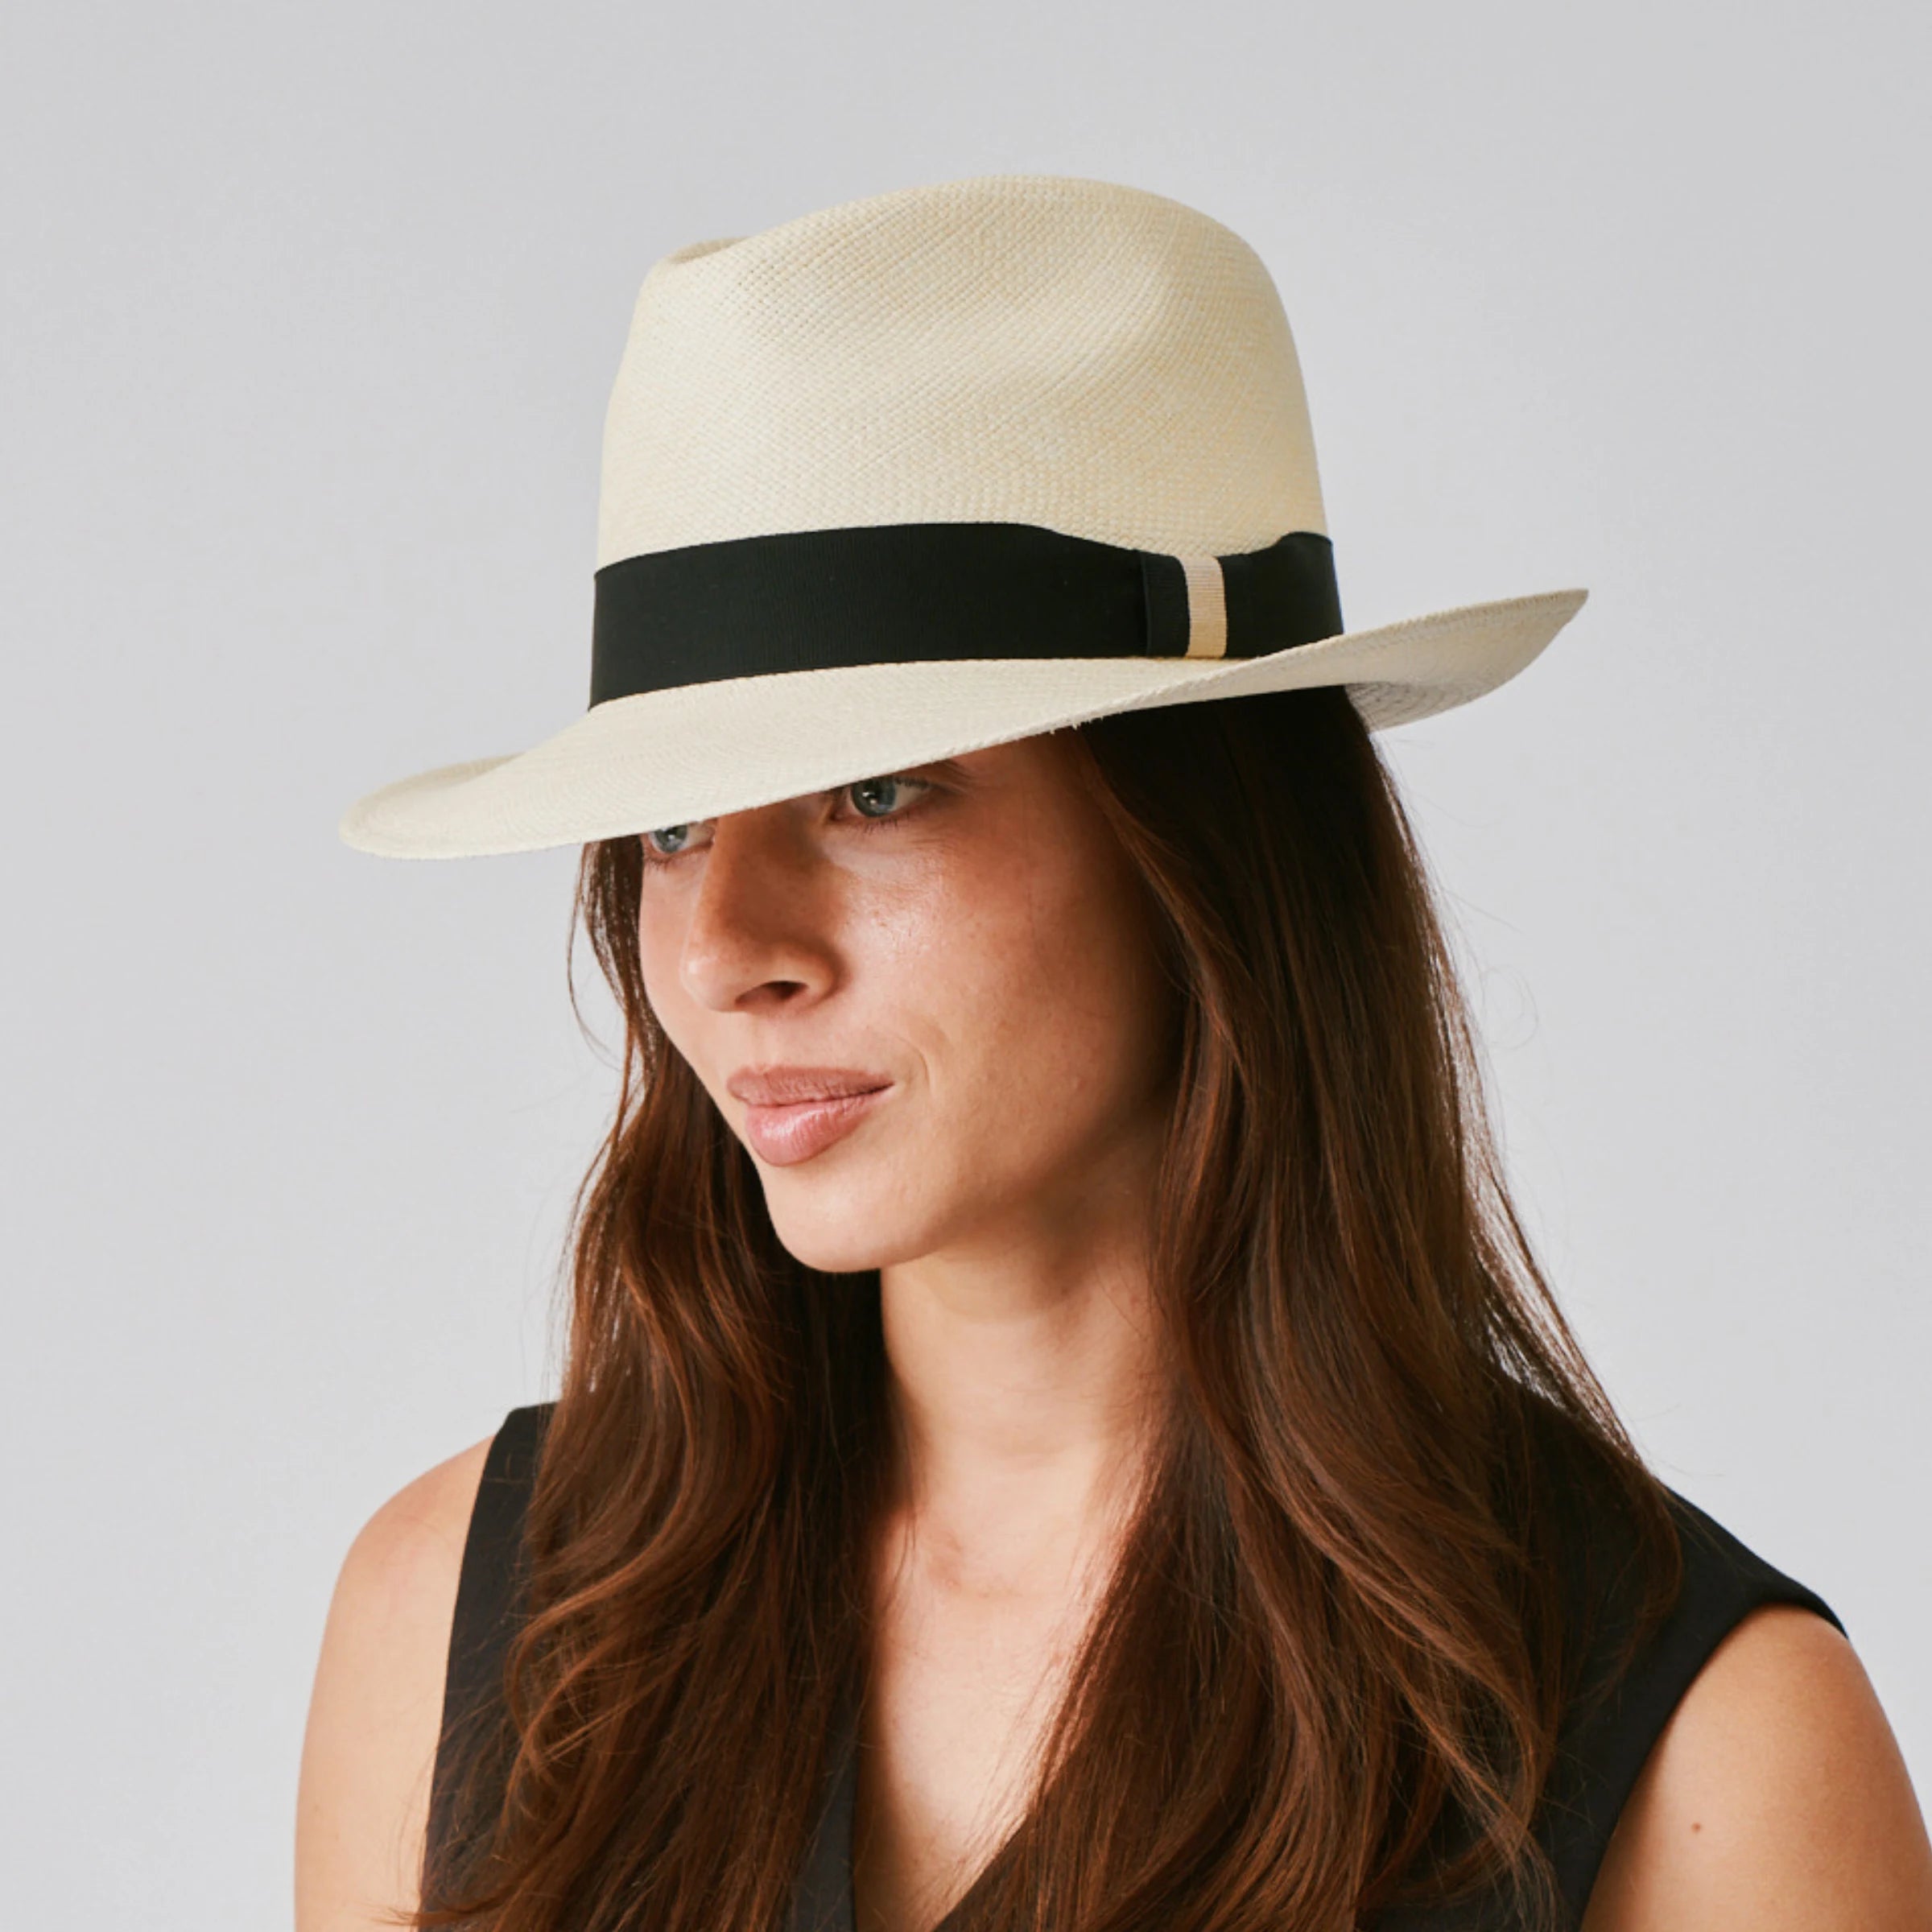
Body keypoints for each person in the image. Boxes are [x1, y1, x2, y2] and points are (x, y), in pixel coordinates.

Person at [296, 174, 1932, 1932]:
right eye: (673, 829)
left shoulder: (1698, 1758)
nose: (725, 949)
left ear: (1200, 843)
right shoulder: (471, 1624)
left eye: (877, 790)